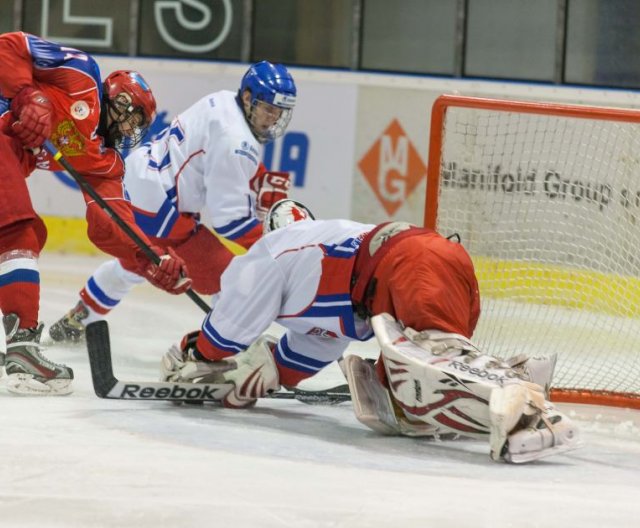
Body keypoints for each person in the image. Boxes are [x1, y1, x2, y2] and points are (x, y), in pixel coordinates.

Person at [160, 199, 582, 464]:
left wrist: (192, 353)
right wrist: (263, 375)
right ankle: (512, 383)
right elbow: (300, 359)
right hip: (420, 267)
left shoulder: (269, 251)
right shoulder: (311, 260)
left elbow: (223, 339)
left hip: (406, 265)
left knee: (440, 359)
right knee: (406, 400)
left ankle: (526, 404)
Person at [48, 60, 297, 344]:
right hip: (161, 208)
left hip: (139, 183)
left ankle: (77, 320)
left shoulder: (223, 100)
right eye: (269, 109)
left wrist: (257, 177)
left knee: (134, 263)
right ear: (249, 98)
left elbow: (214, 156)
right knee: (230, 278)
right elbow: (231, 223)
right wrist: (279, 249)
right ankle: (222, 350)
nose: (273, 119)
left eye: (280, 113)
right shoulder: (238, 143)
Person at [0, 31, 191, 395]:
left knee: (12, 234)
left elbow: (110, 224)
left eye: (139, 126)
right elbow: (8, 44)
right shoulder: (81, 76)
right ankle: (23, 347)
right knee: (19, 232)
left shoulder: (103, 161)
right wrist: (28, 93)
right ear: (117, 99)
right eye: (133, 117)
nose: (132, 129)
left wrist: (151, 257)